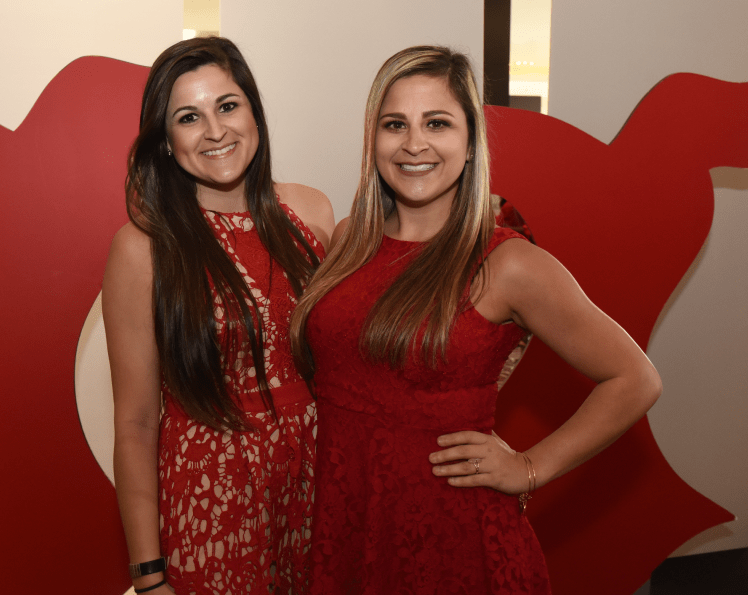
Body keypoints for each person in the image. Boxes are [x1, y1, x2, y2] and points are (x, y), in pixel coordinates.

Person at [290, 45, 661, 594]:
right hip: (343, 520)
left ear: (470, 143)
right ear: (374, 141)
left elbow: (636, 379)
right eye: (396, 125)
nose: (414, 143)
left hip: (451, 534)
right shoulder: (350, 240)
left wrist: (530, 467)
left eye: (437, 123)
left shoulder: (507, 263)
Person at [102, 37, 334, 595]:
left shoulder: (313, 211)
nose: (215, 130)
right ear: (165, 142)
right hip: (211, 506)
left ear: (253, 111)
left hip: (320, 489)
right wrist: (149, 576)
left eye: (227, 105)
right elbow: (135, 424)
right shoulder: (142, 250)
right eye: (188, 117)